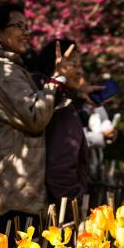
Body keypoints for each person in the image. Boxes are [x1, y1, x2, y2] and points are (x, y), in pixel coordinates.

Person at [0, 2, 71, 235]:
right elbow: (35, 116)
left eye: (27, 26)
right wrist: (56, 80)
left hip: (13, 193)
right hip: (10, 196)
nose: (26, 32)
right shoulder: (1, 71)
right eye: (19, 26)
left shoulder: (5, 66)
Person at [35, 38, 90, 204]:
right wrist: (75, 202)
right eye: (73, 65)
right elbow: (60, 169)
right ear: (56, 67)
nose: (80, 71)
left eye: (80, 65)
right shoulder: (61, 109)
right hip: (61, 207)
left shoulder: (62, 104)